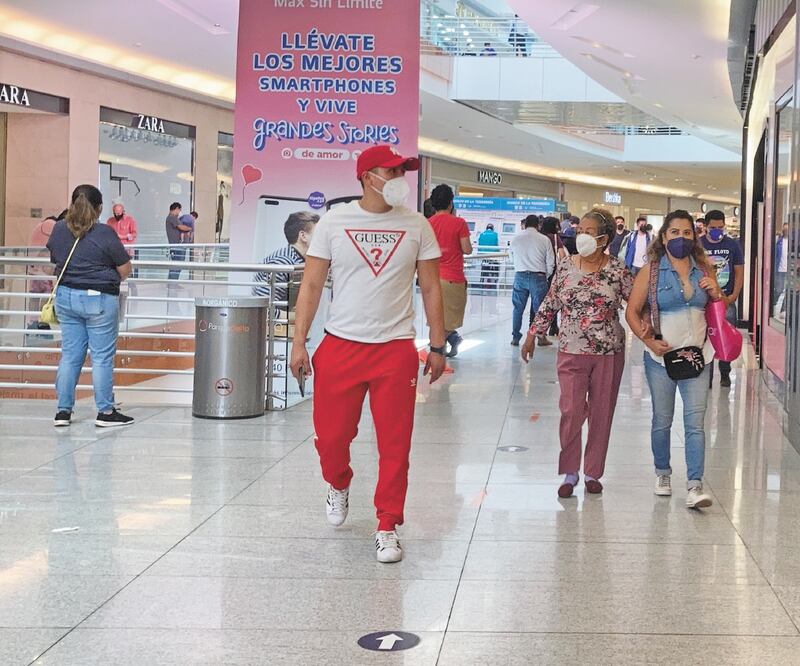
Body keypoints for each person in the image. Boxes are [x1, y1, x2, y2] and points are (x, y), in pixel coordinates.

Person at [289, 145, 446, 564]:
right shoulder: (335, 222)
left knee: (396, 443)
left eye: (402, 171)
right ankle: (338, 483)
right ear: (366, 177)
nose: (398, 179)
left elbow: (431, 286)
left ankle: (387, 524)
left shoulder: (417, 225)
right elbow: (311, 285)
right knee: (332, 438)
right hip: (340, 344)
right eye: (390, 171)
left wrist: (437, 343)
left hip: (395, 348)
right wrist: (299, 340)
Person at [522, 208, 632, 498]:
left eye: (588, 231)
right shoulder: (567, 265)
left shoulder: (618, 270)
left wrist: (653, 332)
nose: (580, 235)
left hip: (608, 351)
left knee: (601, 413)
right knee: (571, 411)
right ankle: (570, 471)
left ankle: (593, 472)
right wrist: (533, 334)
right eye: (579, 229)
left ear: (604, 238)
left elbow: (635, 305)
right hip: (571, 349)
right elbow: (550, 302)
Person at [625, 210, 723, 509]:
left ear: (694, 237)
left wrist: (716, 292)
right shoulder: (651, 271)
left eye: (687, 233)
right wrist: (648, 340)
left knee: (695, 423)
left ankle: (695, 485)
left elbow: (719, 307)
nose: (681, 238)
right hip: (662, 359)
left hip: (698, 357)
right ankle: (663, 473)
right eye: (674, 233)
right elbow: (632, 310)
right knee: (662, 420)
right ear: (664, 237)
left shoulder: (705, 269)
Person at [46, 185, 134, 428]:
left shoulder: (59, 229)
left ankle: (63, 412)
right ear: (100, 208)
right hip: (99, 299)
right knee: (102, 357)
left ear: (72, 204)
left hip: (66, 297)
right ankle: (105, 412)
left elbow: (55, 260)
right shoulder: (105, 232)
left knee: (70, 356)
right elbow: (125, 269)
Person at [429, 184, 472, 358]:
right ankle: (434, 350)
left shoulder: (427, 223)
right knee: (449, 320)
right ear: (450, 203)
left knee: (436, 318)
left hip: (431, 278)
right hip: (453, 277)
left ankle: (448, 343)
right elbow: (467, 249)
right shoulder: (459, 223)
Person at [702, 210, 744, 388]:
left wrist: (734, 295)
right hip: (704, 300)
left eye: (720, 227)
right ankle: (707, 376)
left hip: (726, 299)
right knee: (707, 337)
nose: (717, 231)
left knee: (726, 335)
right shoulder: (698, 244)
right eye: (713, 228)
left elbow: (739, 271)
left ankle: (725, 372)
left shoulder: (732, 245)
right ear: (705, 227)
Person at [252, 211, 319, 305]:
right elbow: (264, 308)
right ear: (303, 236)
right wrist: (297, 317)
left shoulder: (297, 259)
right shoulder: (283, 263)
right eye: (319, 233)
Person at [511, 215, 555, 347]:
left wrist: (519, 268)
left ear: (525, 224)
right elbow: (550, 261)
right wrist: (545, 275)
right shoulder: (544, 239)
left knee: (518, 308)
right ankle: (541, 337)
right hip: (539, 277)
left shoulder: (516, 238)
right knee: (539, 309)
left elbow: (511, 257)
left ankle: (515, 337)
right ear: (538, 225)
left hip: (520, 275)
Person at [540, 216, 567, 337]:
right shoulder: (555, 238)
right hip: (554, 272)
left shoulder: (539, 238)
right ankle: (553, 327)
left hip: (540, 271)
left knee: (541, 301)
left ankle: (538, 330)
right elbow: (562, 255)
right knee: (554, 299)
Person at [165, 202, 191, 280]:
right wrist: (189, 228)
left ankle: (173, 282)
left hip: (179, 246)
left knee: (178, 265)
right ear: (176, 208)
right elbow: (181, 227)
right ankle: (172, 283)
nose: (180, 212)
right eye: (179, 210)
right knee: (176, 266)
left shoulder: (175, 218)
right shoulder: (171, 217)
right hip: (176, 246)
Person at [478, 223, 501, 289]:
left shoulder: (481, 234)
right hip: (493, 257)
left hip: (483, 257)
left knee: (484, 270)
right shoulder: (496, 235)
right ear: (492, 228)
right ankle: (493, 284)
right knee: (494, 270)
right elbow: (499, 245)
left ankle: (482, 284)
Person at [775, 223, 789, 311]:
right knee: (779, 289)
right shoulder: (779, 241)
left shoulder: (794, 242)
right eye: (785, 229)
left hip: (790, 270)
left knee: (788, 291)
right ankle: (773, 302)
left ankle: (783, 309)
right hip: (780, 270)